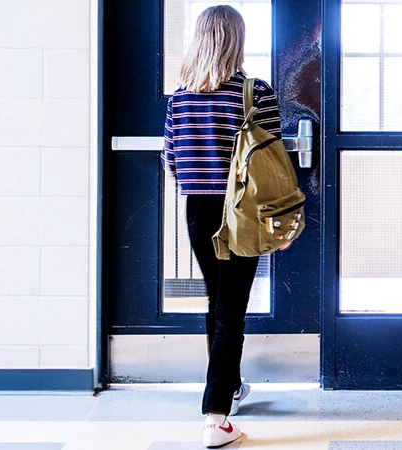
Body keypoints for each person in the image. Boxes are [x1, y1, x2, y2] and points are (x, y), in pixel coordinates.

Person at [161, 5, 283, 448]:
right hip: (242, 212)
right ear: (237, 40)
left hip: (198, 211)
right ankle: (216, 418)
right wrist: (275, 222)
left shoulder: (179, 96)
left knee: (219, 301)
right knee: (231, 307)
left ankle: (227, 385)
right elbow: (272, 162)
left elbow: (170, 160)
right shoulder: (255, 93)